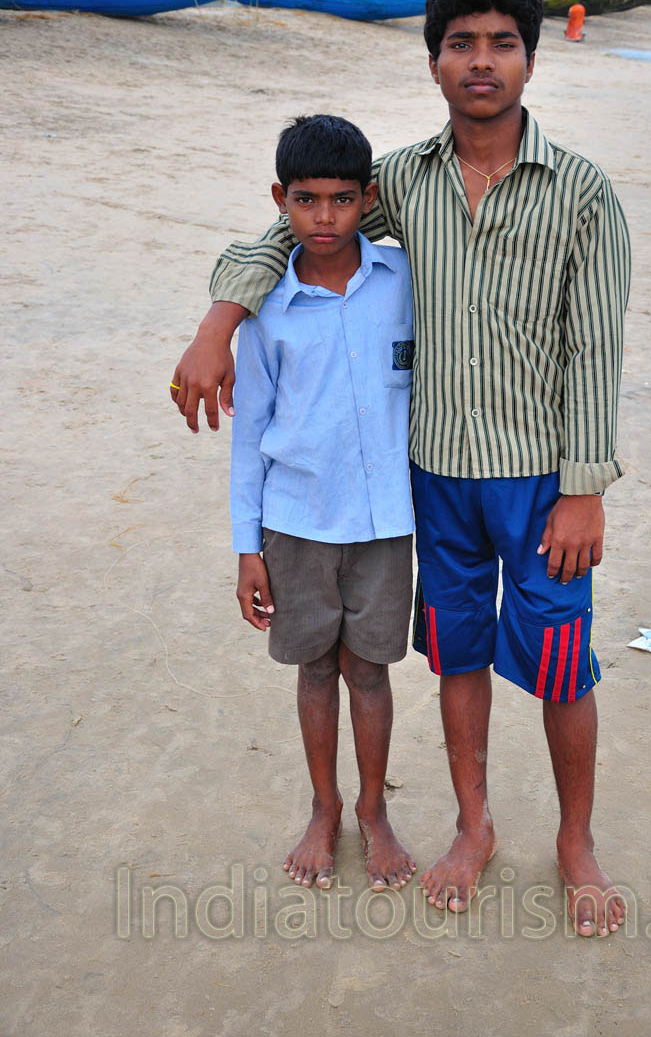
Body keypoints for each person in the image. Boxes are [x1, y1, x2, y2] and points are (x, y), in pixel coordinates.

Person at [171, 0, 631, 937]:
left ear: (531, 58)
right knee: (458, 655)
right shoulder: (403, 182)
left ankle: (576, 841)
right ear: (433, 63)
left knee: (563, 661)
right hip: (436, 478)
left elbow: (594, 345)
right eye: (460, 43)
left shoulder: (583, 192)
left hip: (542, 477)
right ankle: (473, 825)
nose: (481, 60)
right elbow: (295, 228)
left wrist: (586, 486)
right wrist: (220, 321)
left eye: (501, 43)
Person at [230, 114, 416, 893]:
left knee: (368, 671)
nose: (326, 218)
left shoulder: (404, 281)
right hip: (296, 521)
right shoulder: (266, 309)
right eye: (306, 200)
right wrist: (247, 547)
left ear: (368, 198)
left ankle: (373, 809)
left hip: (386, 522)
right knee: (314, 670)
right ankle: (324, 806)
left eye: (343, 199)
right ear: (281, 201)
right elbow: (250, 434)